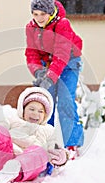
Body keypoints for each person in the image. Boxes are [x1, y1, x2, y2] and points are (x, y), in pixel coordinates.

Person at [0, 87, 69, 183]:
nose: (35, 114)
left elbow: (54, 147)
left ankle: (14, 170)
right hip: (3, 159)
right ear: (23, 109)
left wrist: (61, 156)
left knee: (40, 152)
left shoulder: (48, 130)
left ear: (46, 115)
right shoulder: (13, 120)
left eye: (40, 111)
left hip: (27, 168)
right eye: (31, 109)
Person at [25, 0, 84, 155]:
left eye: (43, 14)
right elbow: (31, 53)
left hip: (68, 62)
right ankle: (44, 142)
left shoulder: (62, 24)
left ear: (50, 13)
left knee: (65, 100)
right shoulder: (31, 27)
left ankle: (72, 144)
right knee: (45, 103)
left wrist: (50, 78)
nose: (39, 18)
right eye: (35, 14)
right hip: (47, 64)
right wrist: (38, 71)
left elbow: (62, 54)